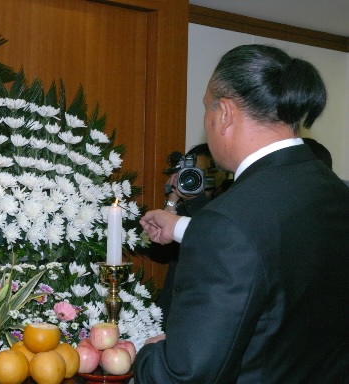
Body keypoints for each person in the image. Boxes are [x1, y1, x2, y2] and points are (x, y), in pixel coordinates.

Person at [135, 44, 349, 383]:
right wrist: (183, 228)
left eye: (206, 109)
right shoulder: (335, 191)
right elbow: (272, 250)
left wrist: (148, 353)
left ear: (224, 114)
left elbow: (185, 375)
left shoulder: (230, 220)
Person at [151, 143, 230, 321]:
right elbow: (158, 253)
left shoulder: (230, 204)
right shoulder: (185, 207)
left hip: (208, 309)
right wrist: (172, 198)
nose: (194, 178)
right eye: (191, 171)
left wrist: (195, 200)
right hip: (175, 307)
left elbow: (211, 234)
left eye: (201, 173)